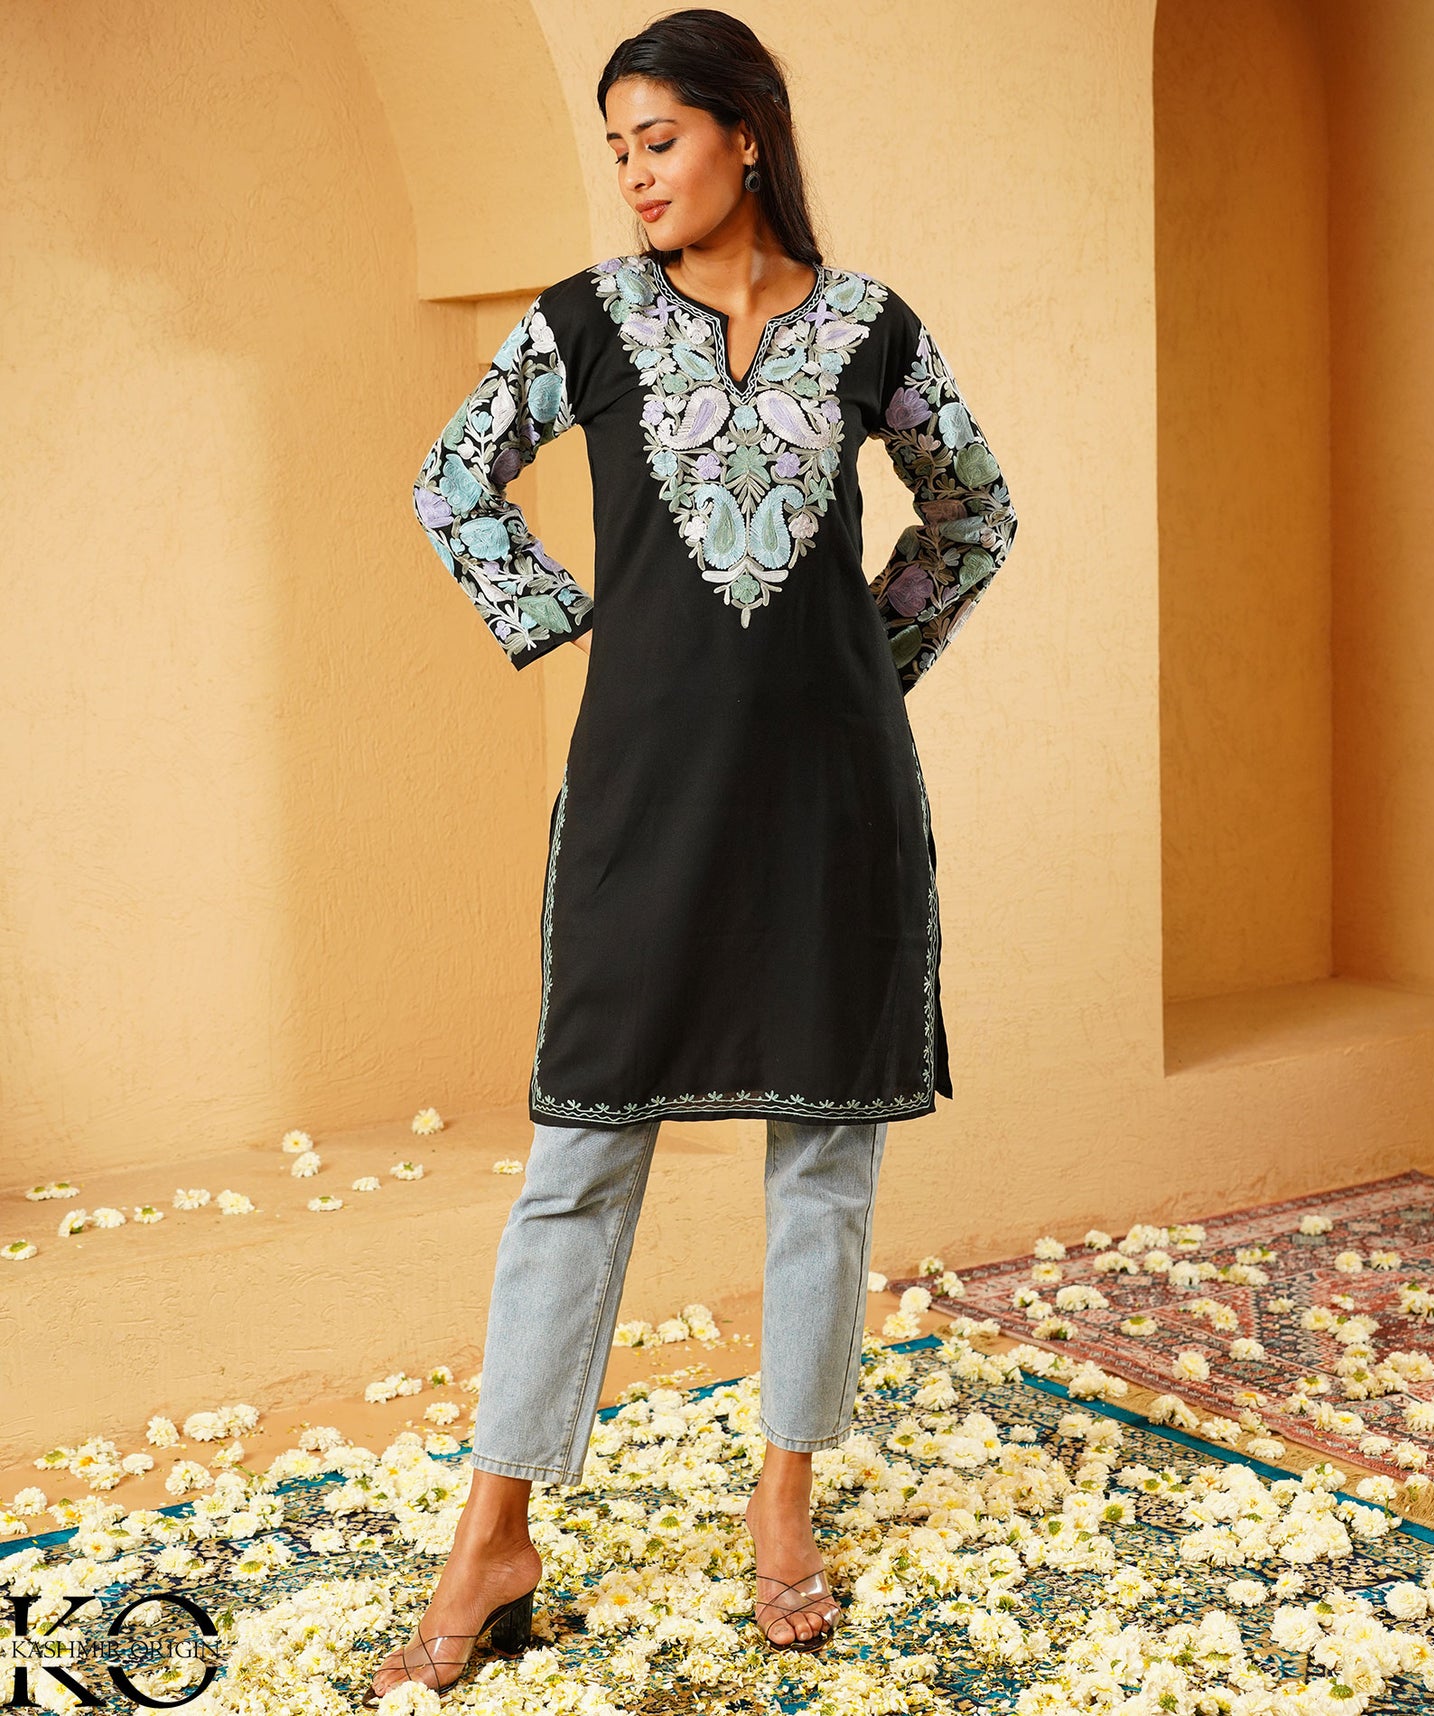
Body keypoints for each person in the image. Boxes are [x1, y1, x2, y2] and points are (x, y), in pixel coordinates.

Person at [364, 6, 1019, 1701]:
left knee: (824, 1156)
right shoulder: (584, 322)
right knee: (579, 1159)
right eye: (618, 151)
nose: (635, 176)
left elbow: (974, 510)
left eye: (657, 140)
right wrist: (581, 631)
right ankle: (493, 1534)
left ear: (744, 130)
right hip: (645, 793)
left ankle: (781, 1505)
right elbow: (453, 482)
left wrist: (867, 662)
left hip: (830, 799)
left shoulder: (868, 328)